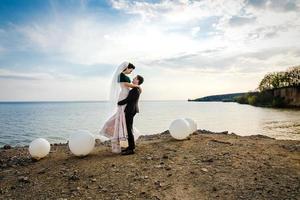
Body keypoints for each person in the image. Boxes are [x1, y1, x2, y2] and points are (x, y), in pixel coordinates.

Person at [100, 62, 140, 153]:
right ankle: (120, 136)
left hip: (126, 95)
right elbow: (126, 85)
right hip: (124, 95)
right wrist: (137, 86)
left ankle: (126, 141)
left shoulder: (124, 76)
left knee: (123, 117)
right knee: (121, 116)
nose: (131, 72)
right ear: (126, 68)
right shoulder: (121, 75)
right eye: (131, 70)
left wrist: (136, 87)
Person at [118, 75, 144, 155]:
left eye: (135, 78)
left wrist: (119, 102)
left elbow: (128, 100)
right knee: (129, 129)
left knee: (129, 129)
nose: (133, 79)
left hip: (130, 110)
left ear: (138, 81)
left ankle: (131, 149)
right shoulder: (136, 88)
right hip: (131, 110)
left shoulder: (135, 90)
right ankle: (130, 147)